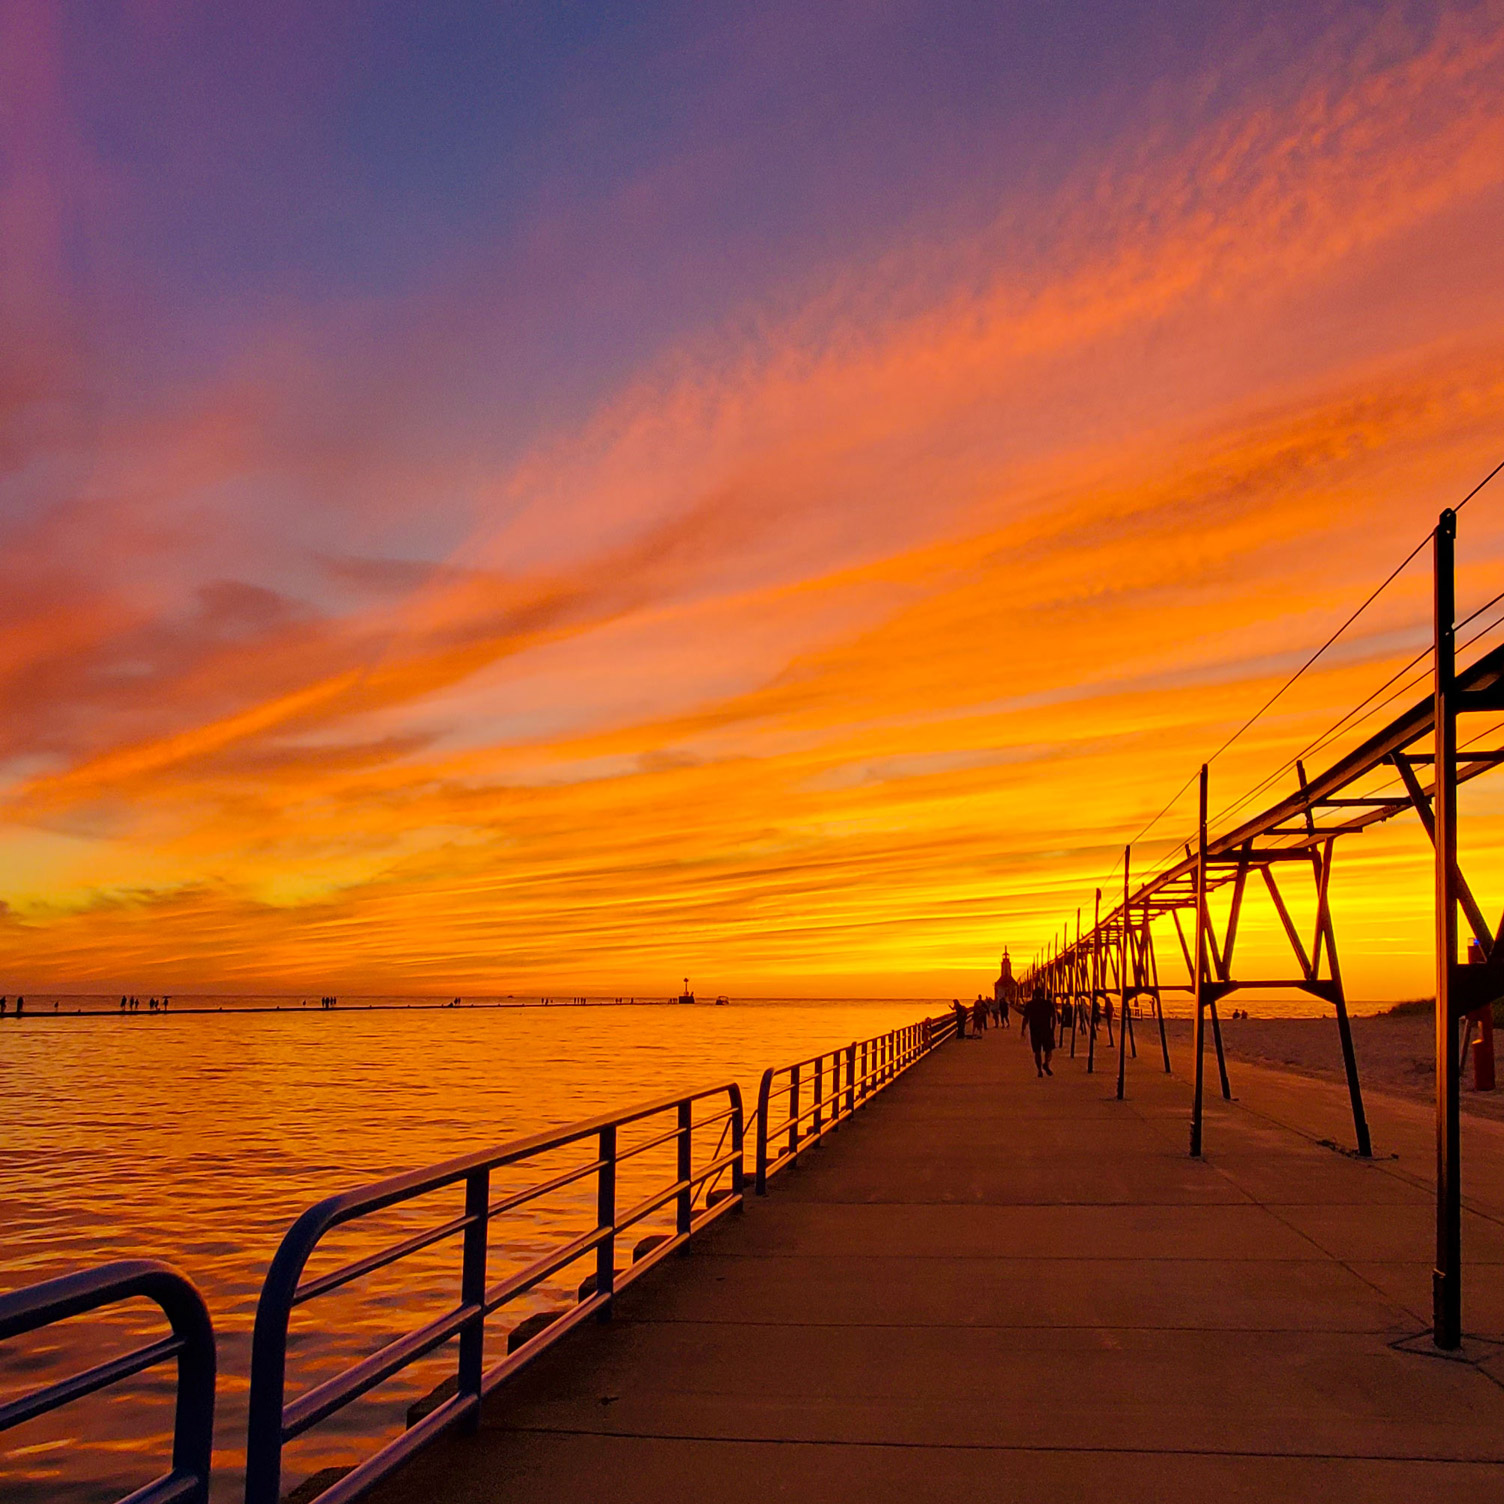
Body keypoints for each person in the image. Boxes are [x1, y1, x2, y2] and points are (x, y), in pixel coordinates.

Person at [1023, 985, 1056, 1078]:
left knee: (1037, 1052)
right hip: (1046, 1031)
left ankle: (1039, 1070)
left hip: (1035, 1031)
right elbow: (1054, 1017)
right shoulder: (1048, 1004)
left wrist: (1023, 1030)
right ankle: (1046, 1064)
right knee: (1048, 1050)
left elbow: (1025, 1018)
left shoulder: (1030, 1005)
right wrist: (1052, 1029)